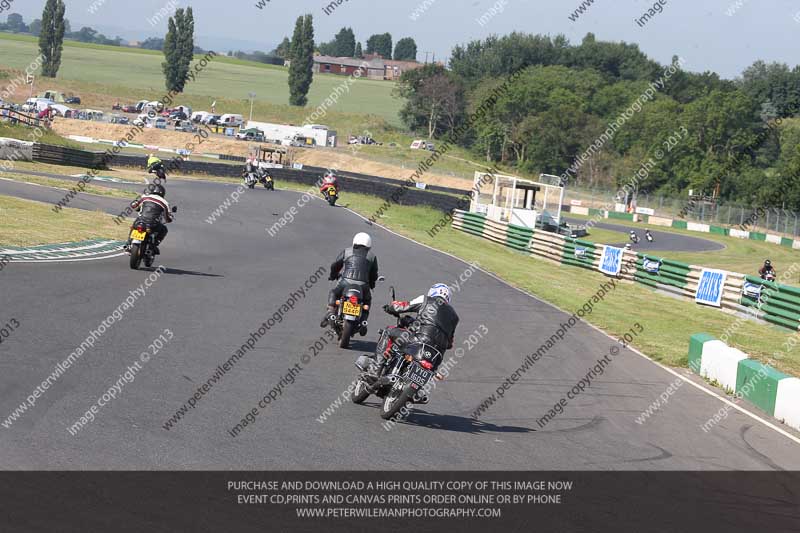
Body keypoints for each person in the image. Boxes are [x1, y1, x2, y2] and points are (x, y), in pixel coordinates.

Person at [379, 284, 460, 403]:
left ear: (432, 292)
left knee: (388, 330)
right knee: (430, 370)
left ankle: (375, 368)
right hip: (436, 356)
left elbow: (402, 307)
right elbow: (450, 343)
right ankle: (415, 391)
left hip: (418, 340)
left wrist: (390, 307)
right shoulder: (455, 317)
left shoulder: (426, 300)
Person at [321, 233, 379, 335]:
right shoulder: (372, 256)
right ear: (369, 245)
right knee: (367, 300)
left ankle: (330, 310)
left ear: (354, 241)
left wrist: (333, 275)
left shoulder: (347, 251)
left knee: (334, 293)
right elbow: (374, 274)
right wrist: (372, 285)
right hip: (363, 285)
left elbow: (335, 265)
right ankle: (363, 321)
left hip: (346, 281)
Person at [124, 184, 173, 255]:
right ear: (162, 193)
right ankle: (153, 246)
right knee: (164, 229)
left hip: (140, 221)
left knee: (133, 227)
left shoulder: (145, 197)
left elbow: (135, 205)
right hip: (153, 224)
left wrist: (137, 208)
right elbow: (167, 218)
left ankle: (128, 244)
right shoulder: (164, 202)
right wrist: (169, 219)